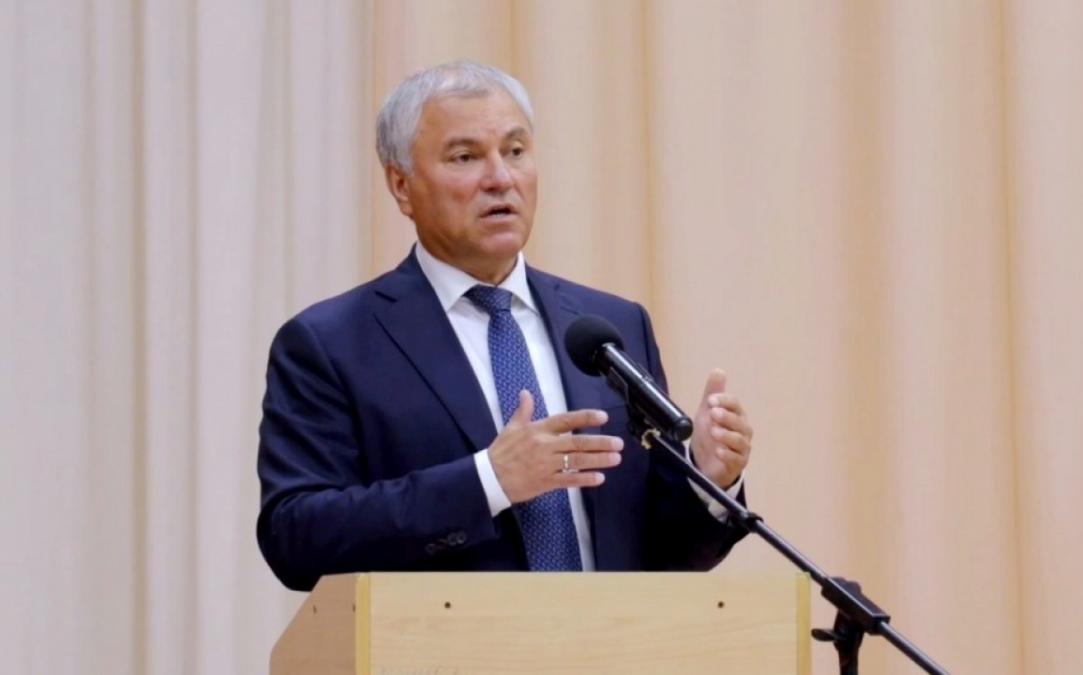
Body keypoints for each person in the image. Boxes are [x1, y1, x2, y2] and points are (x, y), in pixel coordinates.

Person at [257, 61, 754, 592]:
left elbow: (664, 549)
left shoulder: (610, 327)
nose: (500, 178)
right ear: (402, 186)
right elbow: (296, 537)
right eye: (465, 157)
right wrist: (486, 482)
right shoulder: (331, 344)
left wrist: (707, 479)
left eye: (515, 151)